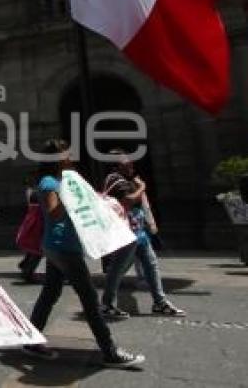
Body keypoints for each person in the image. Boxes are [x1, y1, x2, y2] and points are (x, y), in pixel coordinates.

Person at [22, 139, 144, 368]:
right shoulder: (50, 182)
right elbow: (53, 212)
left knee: (50, 293)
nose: (70, 157)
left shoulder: (64, 180)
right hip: (63, 247)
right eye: (66, 154)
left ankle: (31, 340)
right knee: (89, 299)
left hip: (58, 246)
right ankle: (110, 352)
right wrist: (74, 201)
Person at [103, 151, 185, 317]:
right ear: (116, 165)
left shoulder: (126, 179)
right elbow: (127, 201)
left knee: (151, 264)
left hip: (137, 232)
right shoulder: (115, 180)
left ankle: (159, 302)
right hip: (126, 233)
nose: (131, 164)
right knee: (118, 268)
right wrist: (142, 187)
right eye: (126, 162)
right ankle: (107, 304)